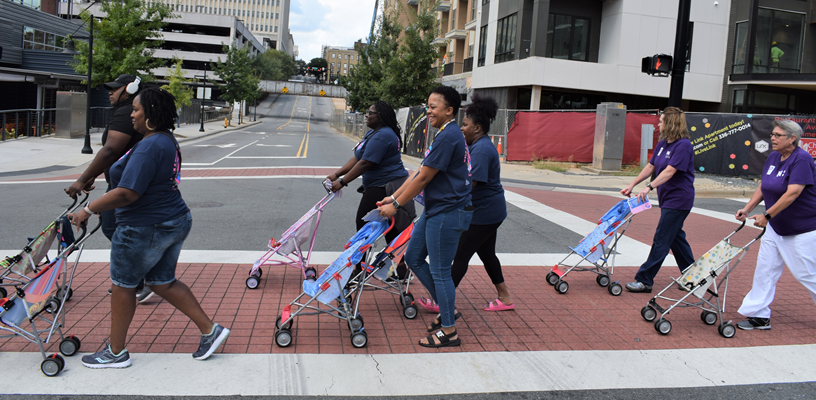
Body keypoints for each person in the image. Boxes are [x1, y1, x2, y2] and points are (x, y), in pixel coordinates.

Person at [70, 87, 229, 368]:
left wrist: (89, 209)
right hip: (173, 219)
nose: (131, 115)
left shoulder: (149, 146)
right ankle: (210, 330)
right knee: (162, 281)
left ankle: (116, 353)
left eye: (136, 110)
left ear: (151, 114)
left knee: (123, 285)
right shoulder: (164, 140)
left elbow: (128, 193)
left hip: (143, 226)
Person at [378, 86, 473, 348]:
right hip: (436, 210)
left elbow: (424, 179)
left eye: (433, 107)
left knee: (441, 272)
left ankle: (449, 331)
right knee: (413, 257)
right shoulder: (444, 133)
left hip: (448, 213)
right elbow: (420, 172)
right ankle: (447, 310)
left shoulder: (448, 137)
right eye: (427, 106)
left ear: (449, 110)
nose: (428, 111)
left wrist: (396, 205)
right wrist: (393, 197)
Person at [416, 94, 514, 312]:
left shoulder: (481, 150)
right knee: (487, 254)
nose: (462, 128)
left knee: (460, 256)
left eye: (466, 125)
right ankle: (505, 298)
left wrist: (442, 197)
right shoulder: (479, 146)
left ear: (477, 129)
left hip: (484, 213)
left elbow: (468, 186)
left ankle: (440, 302)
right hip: (491, 212)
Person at [64, 74, 153, 303]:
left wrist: (83, 179)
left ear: (130, 88)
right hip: (124, 181)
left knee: (115, 228)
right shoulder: (127, 111)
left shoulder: (126, 112)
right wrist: (94, 175)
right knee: (115, 227)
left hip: (127, 184)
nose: (110, 92)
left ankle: (142, 278)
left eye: (115, 88)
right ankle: (141, 277)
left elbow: (111, 149)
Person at [733, 119, 816, 330]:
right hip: (775, 227)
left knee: (805, 274)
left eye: (778, 135)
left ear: (792, 138)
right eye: (772, 134)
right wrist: (748, 208)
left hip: (800, 229)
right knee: (765, 270)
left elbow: (793, 193)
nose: (772, 138)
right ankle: (759, 315)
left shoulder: (802, 159)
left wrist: (767, 215)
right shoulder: (773, 157)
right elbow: (765, 185)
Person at [326, 101, 416, 280]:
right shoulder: (374, 133)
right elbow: (358, 158)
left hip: (386, 186)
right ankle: (400, 270)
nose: (366, 115)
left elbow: (366, 163)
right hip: (379, 184)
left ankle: (360, 270)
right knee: (391, 229)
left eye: (370, 112)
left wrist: (342, 182)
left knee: (364, 224)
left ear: (380, 116)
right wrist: (337, 175)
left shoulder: (383, 135)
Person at [621, 107, 695, 293]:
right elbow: (651, 166)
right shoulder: (663, 144)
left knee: (662, 238)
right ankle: (694, 277)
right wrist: (633, 184)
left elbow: (670, 171)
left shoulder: (683, 145)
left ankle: (645, 280)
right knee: (675, 238)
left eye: (661, 121)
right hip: (667, 198)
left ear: (670, 123)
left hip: (679, 199)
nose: (658, 124)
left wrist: (649, 187)